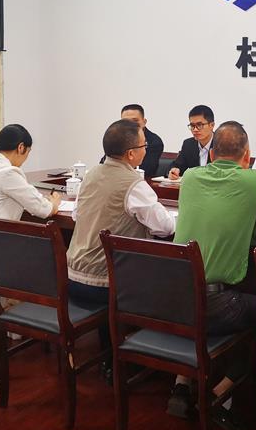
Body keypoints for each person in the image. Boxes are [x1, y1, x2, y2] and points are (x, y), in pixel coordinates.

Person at [171, 120, 256, 430]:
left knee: (214, 300)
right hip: (217, 303)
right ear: (247, 156)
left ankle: (181, 383)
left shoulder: (190, 176)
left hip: (173, 297)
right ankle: (220, 392)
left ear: (212, 154)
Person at [67, 119, 176, 302]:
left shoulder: (90, 174)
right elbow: (166, 227)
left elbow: (76, 215)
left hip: (72, 276)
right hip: (107, 283)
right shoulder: (133, 184)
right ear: (131, 154)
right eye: (144, 145)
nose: (146, 149)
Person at [99, 104, 165, 179]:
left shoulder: (154, 141)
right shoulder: (117, 138)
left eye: (135, 121)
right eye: (125, 122)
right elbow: (105, 163)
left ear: (144, 122)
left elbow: (146, 170)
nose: (130, 125)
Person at [168, 104, 215, 180]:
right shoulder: (188, 144)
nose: (195, 129)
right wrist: (174, 171)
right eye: (192, 125)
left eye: (199, 125)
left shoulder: (221, 144)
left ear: (212, 125)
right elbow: (177, 166)